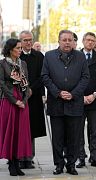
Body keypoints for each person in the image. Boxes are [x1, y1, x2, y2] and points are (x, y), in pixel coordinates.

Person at [41, 30, 90, 175]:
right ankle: (58, 164)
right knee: (57, 137)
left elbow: (85, 77)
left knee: (74, 137)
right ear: (59, 41)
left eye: (70, 40)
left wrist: (73, 94)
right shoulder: (49, 56)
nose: (67, 42)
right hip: (56, 103)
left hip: (74, 103)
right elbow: (45, 76)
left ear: (73, 41)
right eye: (64, 40)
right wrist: (57, 92)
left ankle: (71, 164)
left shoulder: (80, 57)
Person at [0, 38, 32, 176]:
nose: (20, 50)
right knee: (10, 132)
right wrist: (14, 101)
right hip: (9, 101)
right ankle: (11, 164)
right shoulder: (2, 64)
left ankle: (18, 162)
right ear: (10, 49)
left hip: (22, 101)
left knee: (20, 132)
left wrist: (24, 100)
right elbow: (1, 84)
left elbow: (26, 84)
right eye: (18, 48)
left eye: (20, 48)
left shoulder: (23, 63)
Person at [76, 32, 96, 169]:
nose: (90, 43)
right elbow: (71, 78)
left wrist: (94, 95)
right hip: (78, 99)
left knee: (95, 130)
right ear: (83, 41)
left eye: (93, 41)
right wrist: (80, 96)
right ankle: (80, 158)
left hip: (95, 99)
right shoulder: (75, 57)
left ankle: (94, 157)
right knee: (78, 130)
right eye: (88, 40)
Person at [19, 30, 46, 169]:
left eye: (30, 39)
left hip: (33, 97)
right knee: (18, 128)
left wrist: (31, 89)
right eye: (25, 40)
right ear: (20, 41)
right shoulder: (16, 55)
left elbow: (43, 76)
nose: (28, 42)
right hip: (18, 98)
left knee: (31, 128)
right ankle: (18, 157)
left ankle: (29, 157)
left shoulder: (39, 56)